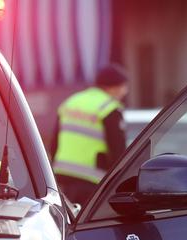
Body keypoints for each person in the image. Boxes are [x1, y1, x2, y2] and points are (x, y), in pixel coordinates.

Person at [51, 63, 129, 205]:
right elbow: (118, 150)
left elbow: (54, 143)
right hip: (91, 181)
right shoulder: (109, 108)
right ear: (114, 87)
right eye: (124, 87)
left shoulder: (71, 102)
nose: (125, 92)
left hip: (62, 177)